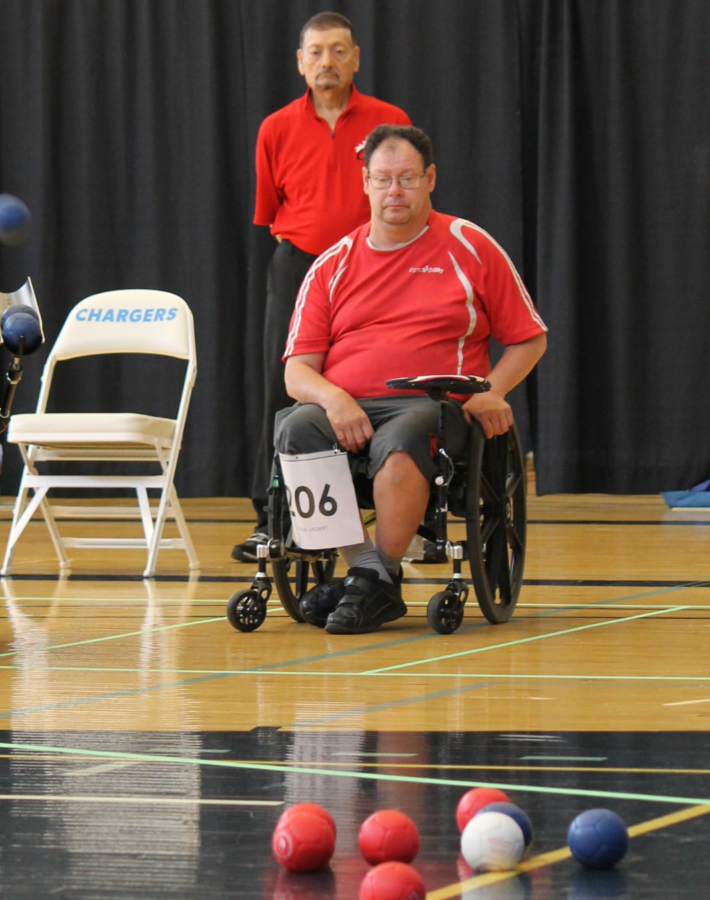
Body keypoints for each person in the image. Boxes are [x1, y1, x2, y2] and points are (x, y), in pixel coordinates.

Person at [276, 124, 547, 634]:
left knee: (403, 438)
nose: (394, 191)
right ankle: (371, 572)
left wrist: (490, 391)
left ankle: (367, 579)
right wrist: (335, 400)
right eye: (383, 180)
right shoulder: (332, 264)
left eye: (406, 179)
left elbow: (530, 338)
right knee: (296, 428)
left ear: (430, 179)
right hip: (346, 406)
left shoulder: (470, 245)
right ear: (365, 183)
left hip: (432, 404)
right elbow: (296, 371)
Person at [236, 12, 412, 562]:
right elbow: (271, 214)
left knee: (386, 380)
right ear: (300, 62)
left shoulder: (389, 121)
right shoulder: (276, 128)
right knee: (282, 386)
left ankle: (402, 516)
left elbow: (401, 201)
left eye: (338, 51)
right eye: (316, 53)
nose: (326, 63)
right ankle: (275, 519)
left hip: (375, 267)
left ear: (355, 58)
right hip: (300, 267)